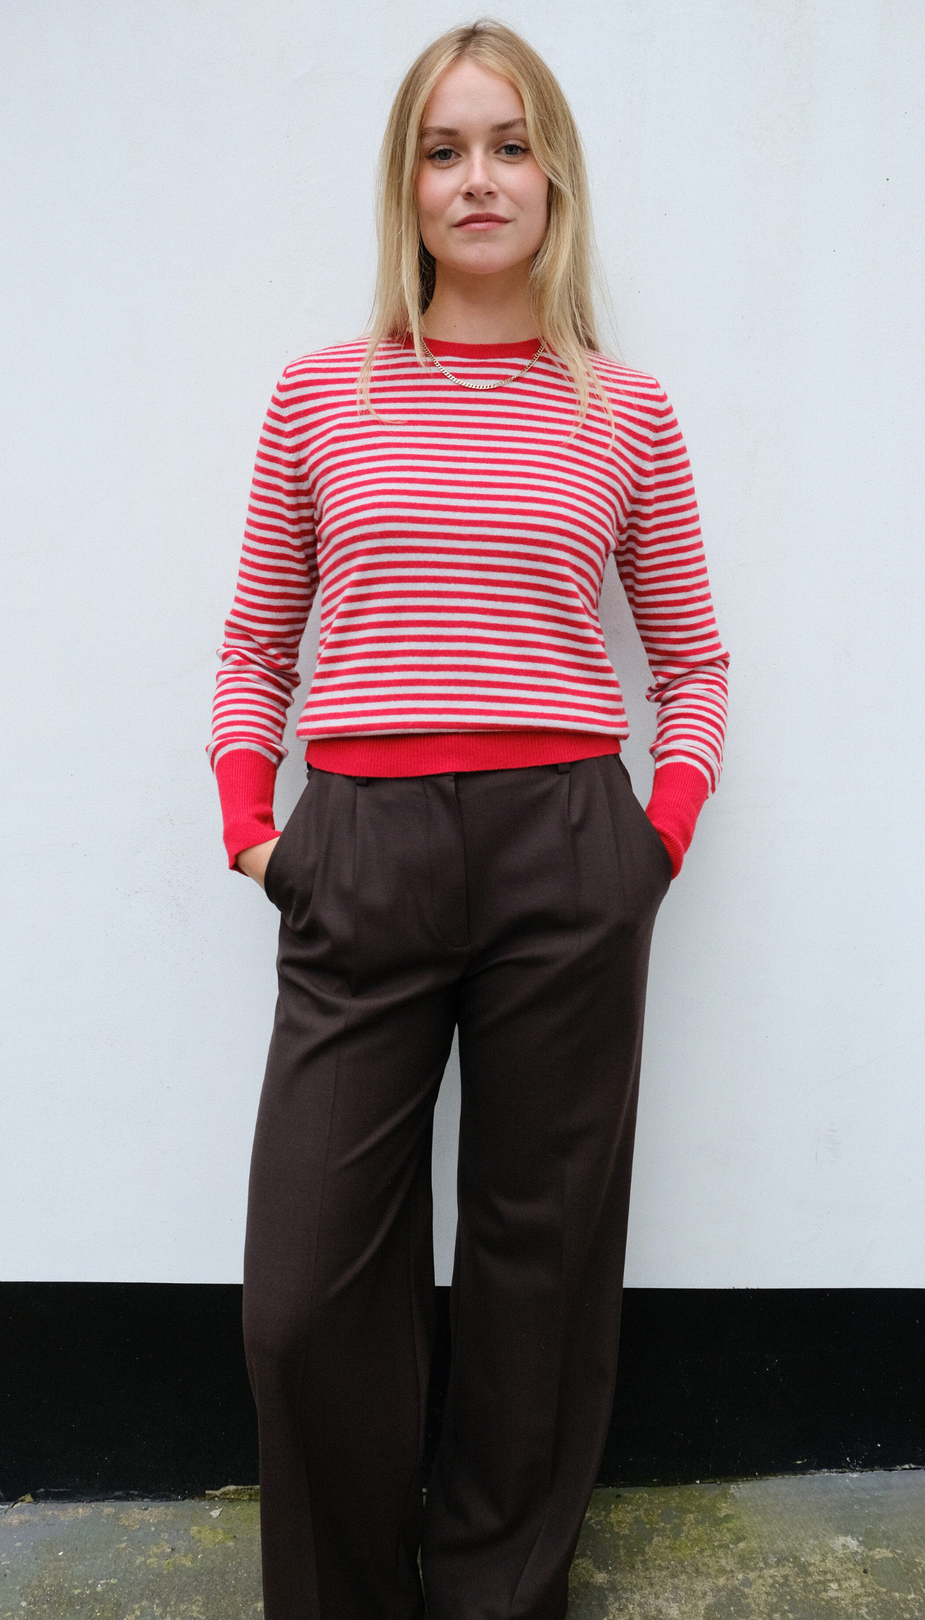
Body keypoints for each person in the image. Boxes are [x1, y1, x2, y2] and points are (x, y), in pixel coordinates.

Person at [209, 20, 728, 1620]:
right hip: (359, 847)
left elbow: (694, 660)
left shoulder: (624, 410)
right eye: (445, 151)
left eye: (510, 146)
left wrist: (653, 842)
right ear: (407, 185)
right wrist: (256, 831)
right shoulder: (323, 396)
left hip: (567, 848)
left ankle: (499, 1598)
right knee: (304, 1295)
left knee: (537, 1265)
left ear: (555, 177)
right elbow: (256, 646)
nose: (478, 179)